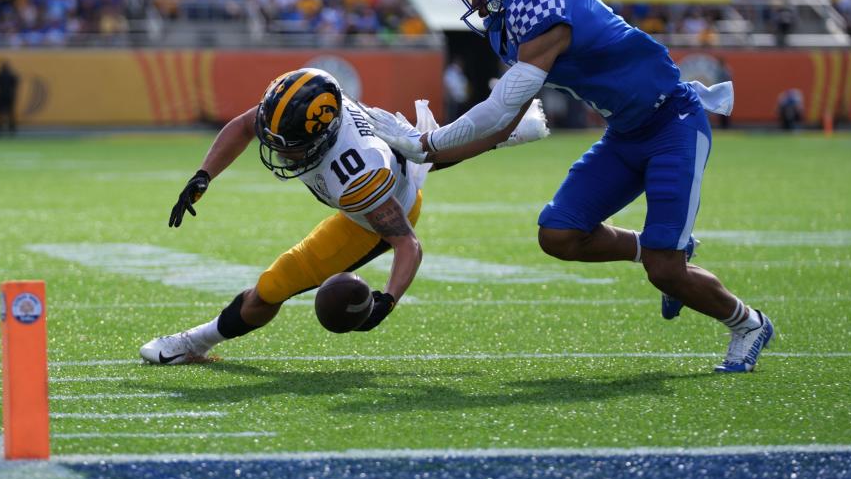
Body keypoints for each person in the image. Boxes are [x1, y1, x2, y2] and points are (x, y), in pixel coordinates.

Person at [368, 0, 774, 373]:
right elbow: (499, 130)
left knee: (666, 270)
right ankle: (656, 247)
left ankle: (748, 323)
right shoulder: (510, 23)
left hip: (672, 125)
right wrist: (427, 155)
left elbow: (500, 110)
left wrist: (427, 141)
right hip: (625, 133)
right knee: (559, 233)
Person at [140, 67, 546, 364]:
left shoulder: (356, 176)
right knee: (423, 152)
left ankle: (195, 343)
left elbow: (407, 244)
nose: (281, 154)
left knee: (272, 286)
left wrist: (387, 300)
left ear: (322, 136)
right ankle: (504, 134)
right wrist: (204, 174)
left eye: (290, 147)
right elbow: (248, 125)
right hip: (388, 154)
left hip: (375, 215)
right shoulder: (313, 97)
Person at [0, 61, 19, 135]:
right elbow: (15, 84)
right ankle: (12, 127)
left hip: (1, 96)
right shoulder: (11, 76)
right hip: (9, 96)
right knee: (10, 113)